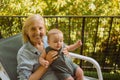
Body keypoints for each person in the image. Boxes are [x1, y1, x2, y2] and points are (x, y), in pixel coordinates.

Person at [17, 14, 60, 80]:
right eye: (33, 29)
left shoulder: (48, 40)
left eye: (40, 28)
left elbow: (63, 48)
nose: (37, 32)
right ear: (27, 31)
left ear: (45, 29)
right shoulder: (23, 54)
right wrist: (47, 62)